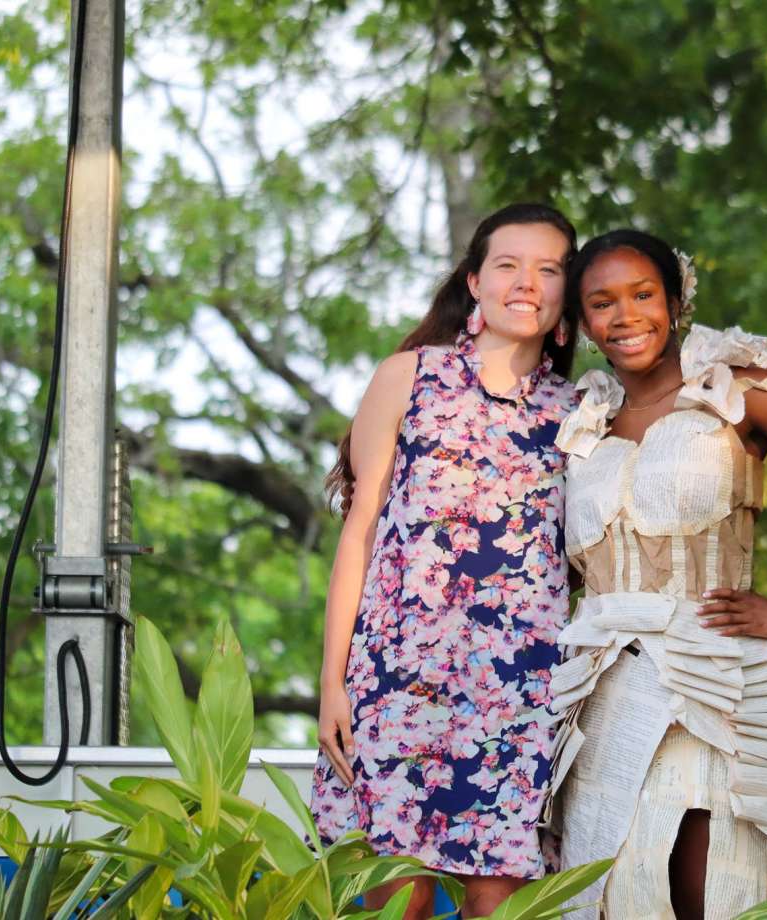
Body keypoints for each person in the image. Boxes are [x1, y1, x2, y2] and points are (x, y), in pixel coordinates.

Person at [547, 229, 767, 919]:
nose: (625, 316)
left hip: (709, 679)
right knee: (609, 891)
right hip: (598, 695)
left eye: (643, 295)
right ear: (583, 323)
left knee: (703, 888)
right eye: (602, 303)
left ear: (676, 300)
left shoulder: (730, 392)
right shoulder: (581, 421)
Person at [311, 203, 581, 919]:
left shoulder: (582, 411)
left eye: (549, 269)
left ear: (564, 298)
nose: (527, 282)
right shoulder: (409, 376)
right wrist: (331, 684)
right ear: (475, 281)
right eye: (508, 264)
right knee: (398, 901)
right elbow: (359, 534)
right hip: (397, 685)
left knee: (501, 903)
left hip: (520, 696)